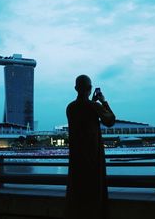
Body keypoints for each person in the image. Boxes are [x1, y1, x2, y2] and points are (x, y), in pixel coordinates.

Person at [65, 75, 115, 219]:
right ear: (90, 89)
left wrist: (93, 102)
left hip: (76, 159)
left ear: (76, 88)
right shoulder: (94, 106)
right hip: (93, 158)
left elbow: (84, 112)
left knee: (77, 195)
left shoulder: (70, 107)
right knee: (94, 195)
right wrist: (103, 101)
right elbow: (110, 120)